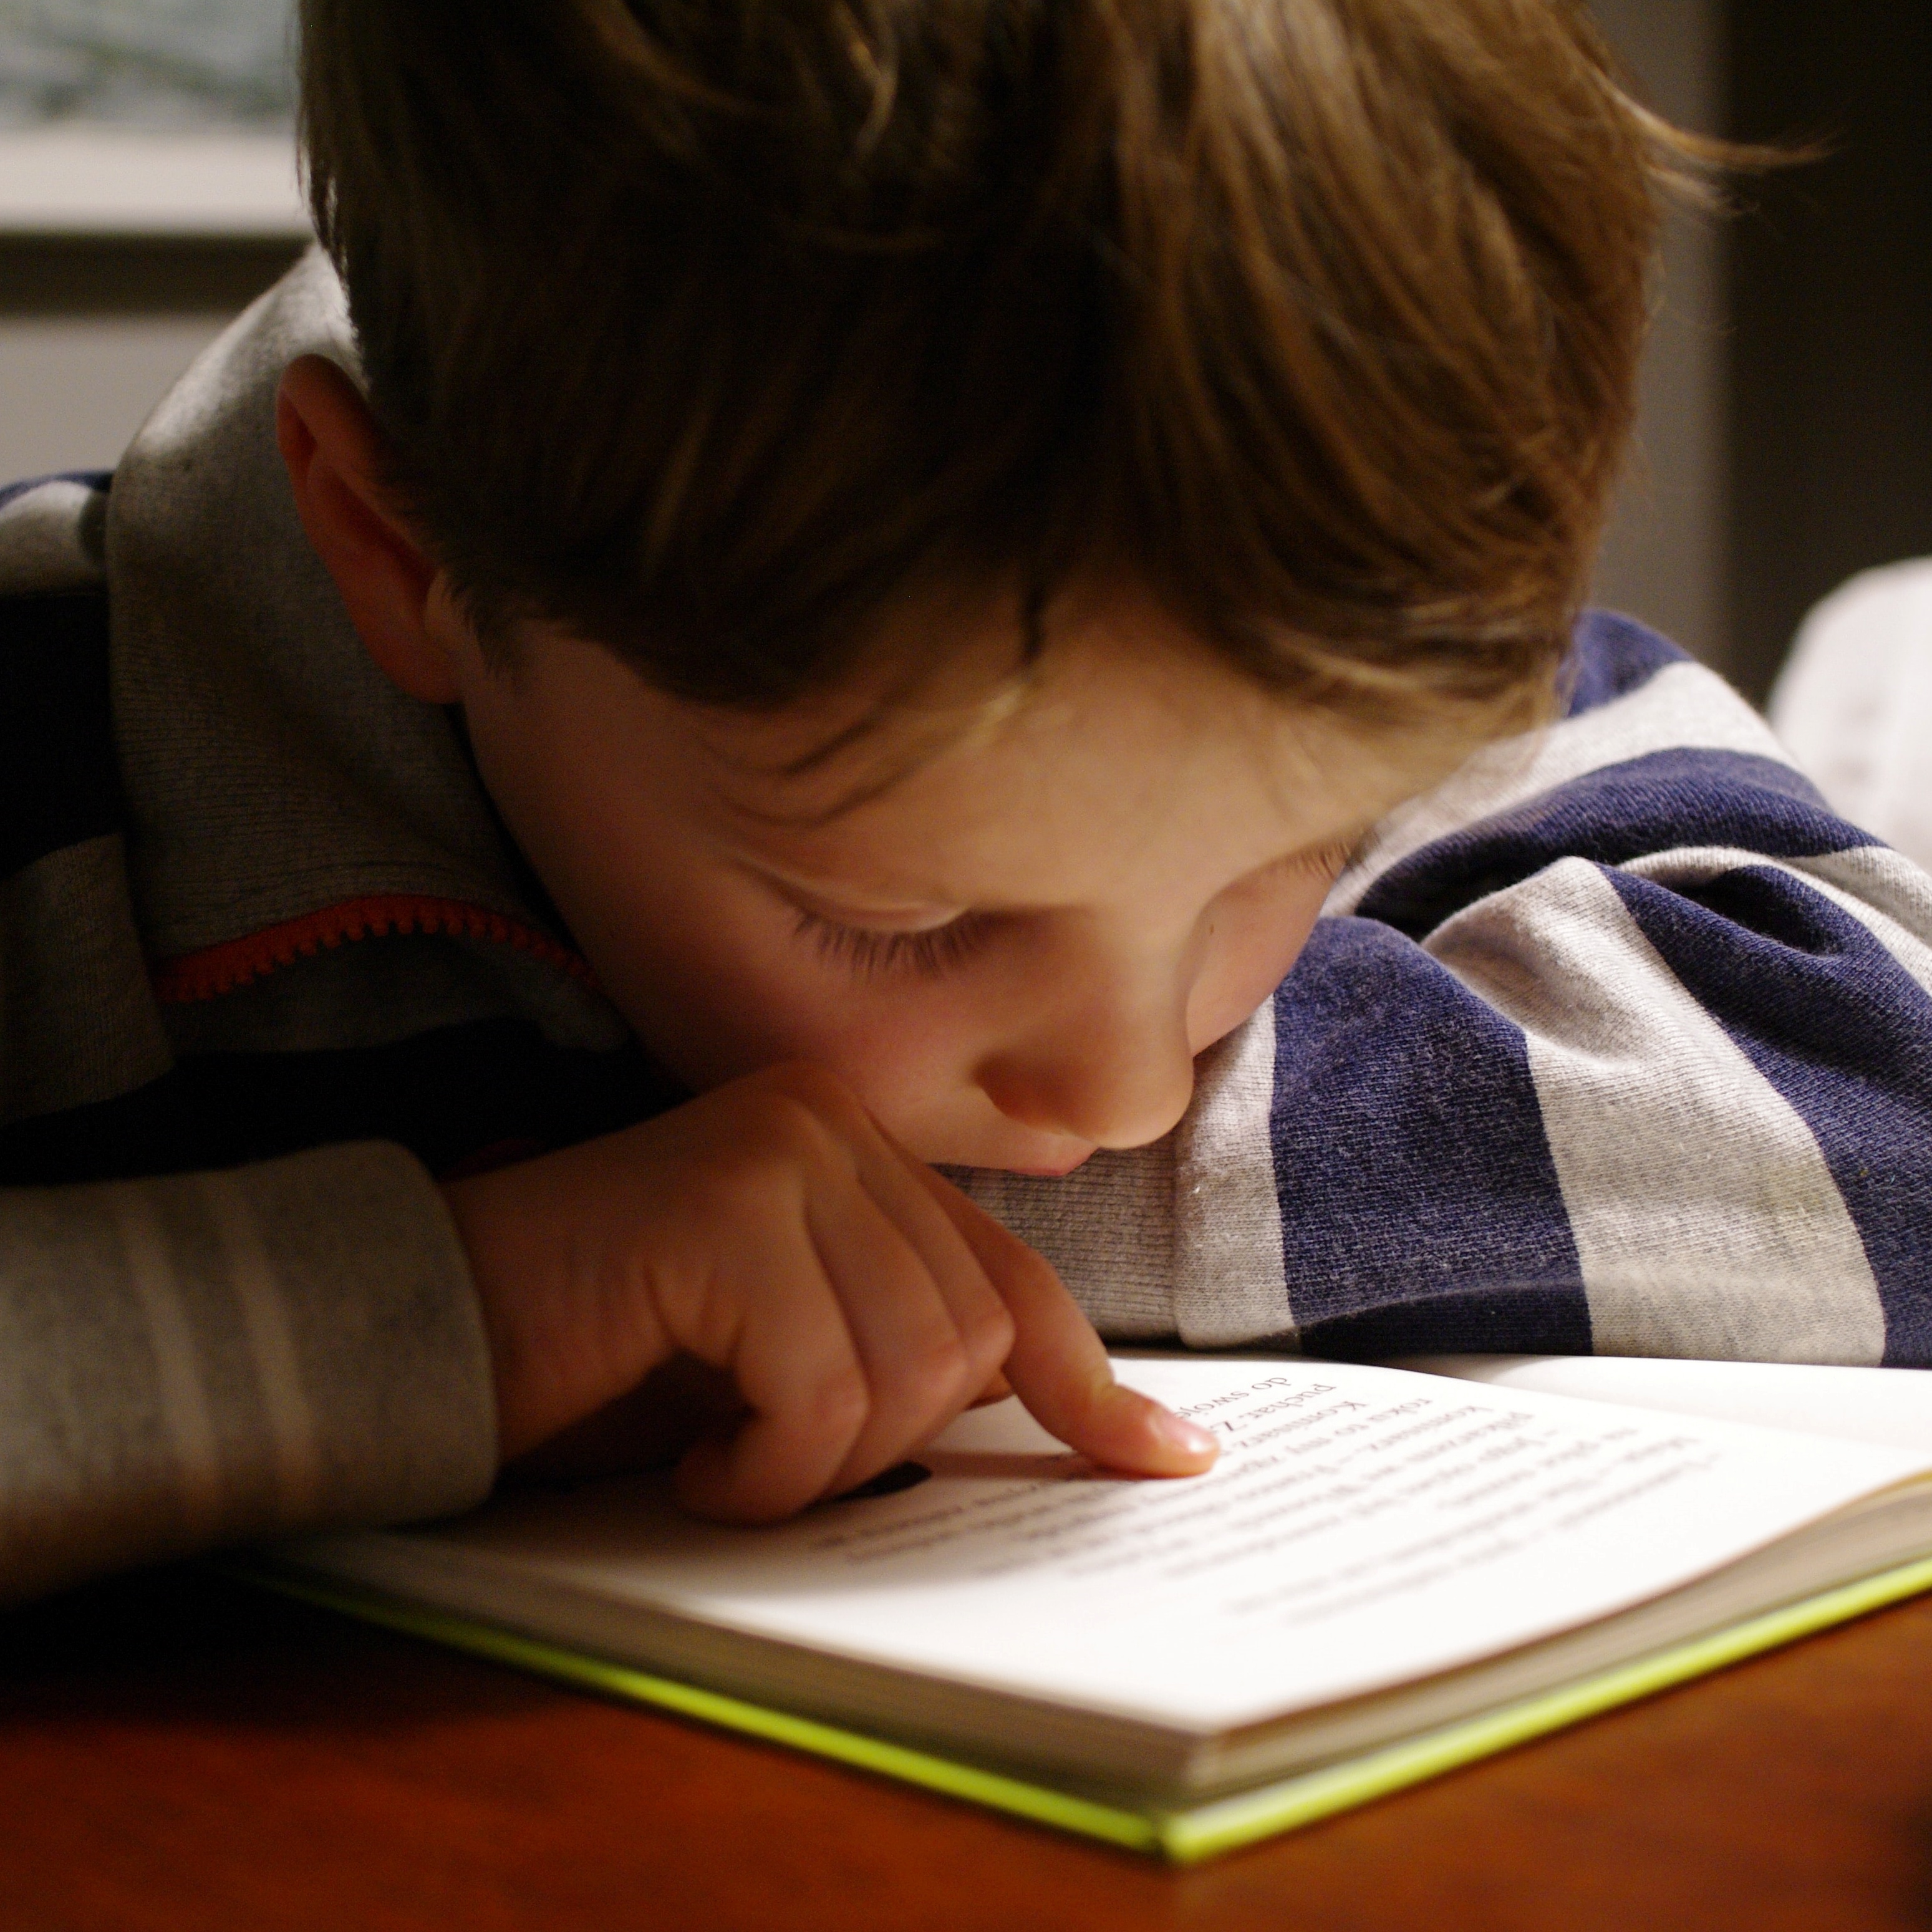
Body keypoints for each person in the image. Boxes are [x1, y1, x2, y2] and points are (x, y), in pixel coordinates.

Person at [4, 0, 1928, 1606]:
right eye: (910, 918)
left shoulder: (1327, 601)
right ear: (397, 549)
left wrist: (906, 1214)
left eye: (1290, 850)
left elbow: (1887, 1110)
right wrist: (460, 1300)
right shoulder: (54, 753)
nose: (1124, 1094)